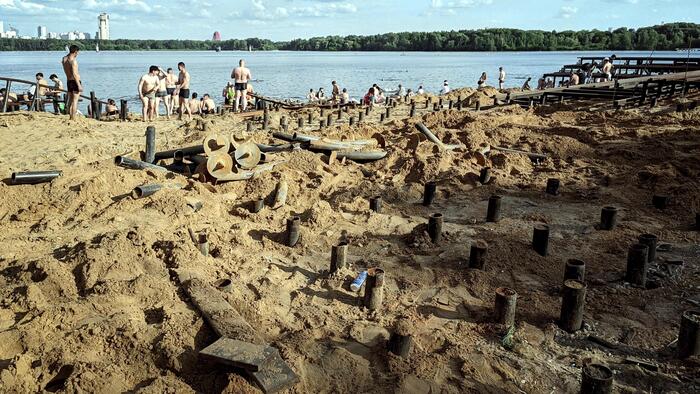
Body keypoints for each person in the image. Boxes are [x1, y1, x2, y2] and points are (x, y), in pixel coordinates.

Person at [61, 44, 82, 120]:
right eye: (78, 52)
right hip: (74, 81)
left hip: (68, 81)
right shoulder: (73, 61)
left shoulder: (64, 59)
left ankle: (69, 116)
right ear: (75, 52)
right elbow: (75, 74)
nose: (78, 54)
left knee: (70, 100)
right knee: (75, 100)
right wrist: (79, 85)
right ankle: (73, 117)